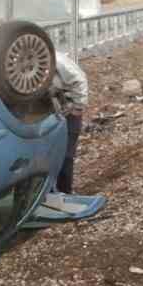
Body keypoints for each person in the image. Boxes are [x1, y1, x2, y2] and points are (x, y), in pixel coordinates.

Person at [52, 51, 89, 194]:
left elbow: (79, 79)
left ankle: (65, 192)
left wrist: (78, 107)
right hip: (52, 114)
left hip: (69, 112)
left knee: (66, 155)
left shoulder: (56, 60)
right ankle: (50, 193)